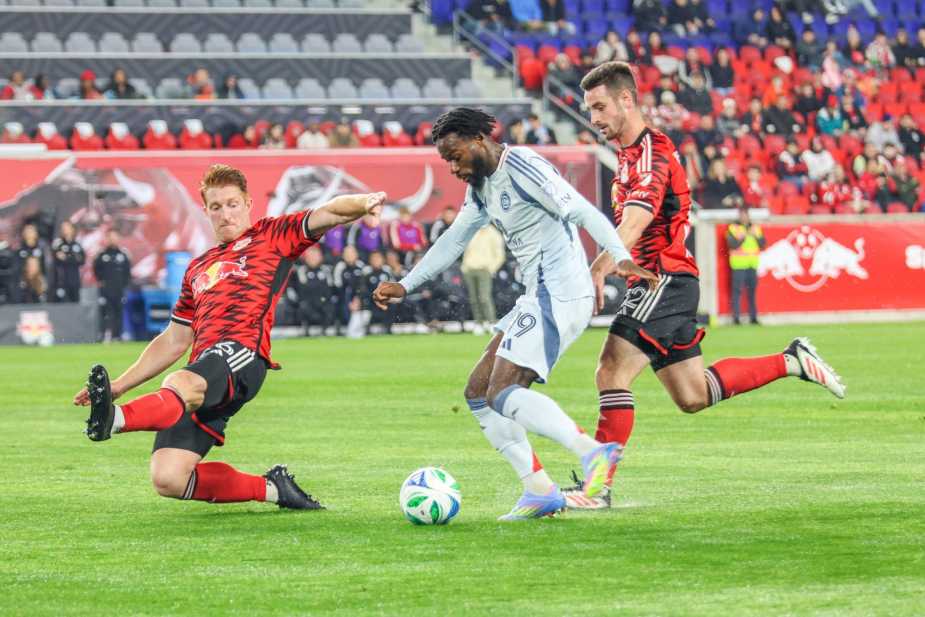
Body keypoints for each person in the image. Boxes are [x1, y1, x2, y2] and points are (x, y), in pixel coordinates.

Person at [572, 61, 846, 510]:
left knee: (611, 371)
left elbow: (639, 219)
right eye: (590, 110)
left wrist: (600, 266)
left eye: (600, 107)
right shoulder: (630, 155)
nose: (595, 119)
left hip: (663, 280)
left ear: (627, 99)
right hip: (670, 282)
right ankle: (791, 360)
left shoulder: (650, 153)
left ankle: (595, 489)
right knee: (693, 395)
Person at [372, 107, 658, 520]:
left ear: (478, 141)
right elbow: (454, 240)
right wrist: (406, 283)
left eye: (455, 156)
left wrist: (619, 256)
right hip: (537, 295)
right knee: (478, 393)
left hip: (558, 292)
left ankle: (593, 453)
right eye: (446, 161)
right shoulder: (482, 188)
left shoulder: (522, 165)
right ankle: (539, 490)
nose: (452, 168)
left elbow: (581, 210)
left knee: (502, 393)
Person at [74, 164, 386, 510]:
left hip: (243, 355)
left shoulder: (273, 235)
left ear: (249, 203)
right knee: (169, 478)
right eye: (216, 207)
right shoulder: (196, 269)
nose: (225, 214)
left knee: (181, 381)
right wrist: (119, 384)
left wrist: (364, 201)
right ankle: (274, 489)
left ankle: (113, 420)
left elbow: (328, 212)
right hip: (204, 372)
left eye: (233, 204)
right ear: (206, 210)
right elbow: (174, 340)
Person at [461, 223, 506, 335]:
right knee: (474, 299)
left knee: (484, 297)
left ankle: (491, 322)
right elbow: (466, 250)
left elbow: (500, 254)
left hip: (484, 269)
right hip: (469, 269)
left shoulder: (493, 233)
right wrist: (464, 266)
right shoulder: (472, 230)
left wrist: (491, 268)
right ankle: (479, 323)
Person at [726, 208, 765, 325]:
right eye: (742, 216)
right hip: (738, 265)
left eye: (745, 215)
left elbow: (763, 244)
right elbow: (732, 244)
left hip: (752, 264)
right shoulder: (733, 228)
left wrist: (756, 237)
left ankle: (753, 317)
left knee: (752, 292)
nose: (744, 218)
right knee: (737, 292)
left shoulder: (755, 228)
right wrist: (742, 238)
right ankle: (736, 318)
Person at [92, 230, 132, 342]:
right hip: (105, 289)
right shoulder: (101, 254)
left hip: (119, 289)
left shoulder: (124, 254)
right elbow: (96, 269)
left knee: (118, 311)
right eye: (110, 237)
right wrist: (101, 281)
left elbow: (127, 272)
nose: (113, 239)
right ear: (107, 239)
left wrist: (124, 284)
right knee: (105, 311)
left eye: (115, 237)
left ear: (118, 238)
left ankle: (117, 336)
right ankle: (103, 335)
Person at [290, 245, 337, 335]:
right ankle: (305, 330)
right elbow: (301, 288)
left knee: (330, 306)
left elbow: (330, 288)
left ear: (321, 257)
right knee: (303, 306)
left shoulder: (326, 270)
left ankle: (325, 330)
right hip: (308, 302)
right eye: (311, 257)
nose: (313, 259)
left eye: (316, 256)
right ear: (306, 258)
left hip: (323, 302)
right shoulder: (301, 271)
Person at [51, 220, 85, 302]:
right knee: (62, 305)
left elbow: (81, 260)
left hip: (75, 281)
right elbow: (57, 258)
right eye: (63, 228)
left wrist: (66, 258)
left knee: (75, 303)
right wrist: (72, 258)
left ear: (72, 229)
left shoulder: (77, 245)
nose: (64, 230)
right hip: (61, 281)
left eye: (67, 227)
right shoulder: (58, 244)